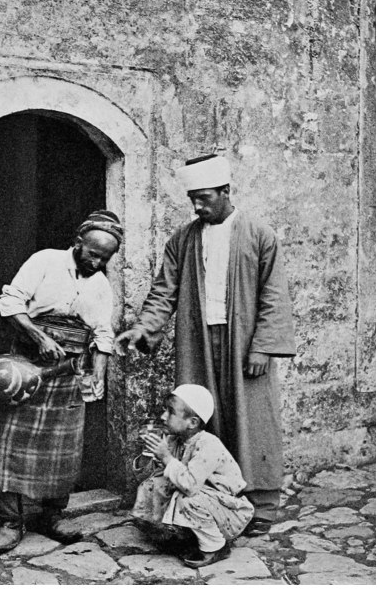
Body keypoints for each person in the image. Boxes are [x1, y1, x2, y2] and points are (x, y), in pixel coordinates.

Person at [115, 153, 296, 535]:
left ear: (225, 191)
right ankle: (207, 498)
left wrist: (263, 346)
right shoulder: (183, 239)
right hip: (196, 339)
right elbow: (163, 291)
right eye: (192, 199)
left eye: (204, 197)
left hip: (245, 340)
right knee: (199, 420)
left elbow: (274, 294)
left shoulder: (259, 234)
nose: (197, 206)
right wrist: (143, 327)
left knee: (253, 418)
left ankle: (262, 504)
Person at [0, 210, 123, 552]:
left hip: (70, 371)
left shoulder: (100, 284)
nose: (97, 262)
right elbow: (10, 301)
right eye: (93, 254)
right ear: (78, 242)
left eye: (105, 258)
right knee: (12, 443)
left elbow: (102, 334)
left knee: (63, 449)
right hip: (26, 364)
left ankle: (52, 515)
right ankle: (9, 521)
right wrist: (39, 337)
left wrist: (98, 373)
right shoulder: (44, 261)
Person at [132, 384, 254, 568]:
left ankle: (216, 546)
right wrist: (148, 455)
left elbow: (190, 486)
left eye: (170, 412)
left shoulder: (208, 444)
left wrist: (167, 457)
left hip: (225, 511)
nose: (163, 416)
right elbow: (159, 475)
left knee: (188, 500)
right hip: (200, 501)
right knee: (152, 484)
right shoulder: (174, 440)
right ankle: (176, 533)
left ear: (193, 422)